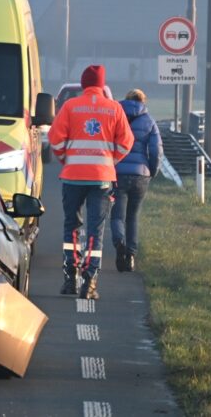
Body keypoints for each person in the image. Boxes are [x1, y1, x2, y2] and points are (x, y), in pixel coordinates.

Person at [48, 64, 134, 299]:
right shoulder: (114, 109)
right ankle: (90, 282)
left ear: (84, 83)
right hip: (102, 178)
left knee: (71, 227)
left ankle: (70, 280)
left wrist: (65, 159)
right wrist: (110, 161)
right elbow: (126, 142)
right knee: (96, 230)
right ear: (102, 84)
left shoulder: (70, 106)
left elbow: (55, 139)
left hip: (73, 177)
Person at [111, 88, 163, 272]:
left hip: (118, 172)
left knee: (117, 214)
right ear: (143, 101)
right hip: (141, 174)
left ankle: (119, 242)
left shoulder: (116, 117)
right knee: (132, 216)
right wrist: (152, 171)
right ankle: (131, 256)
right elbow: (156, 151)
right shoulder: (149, 121)